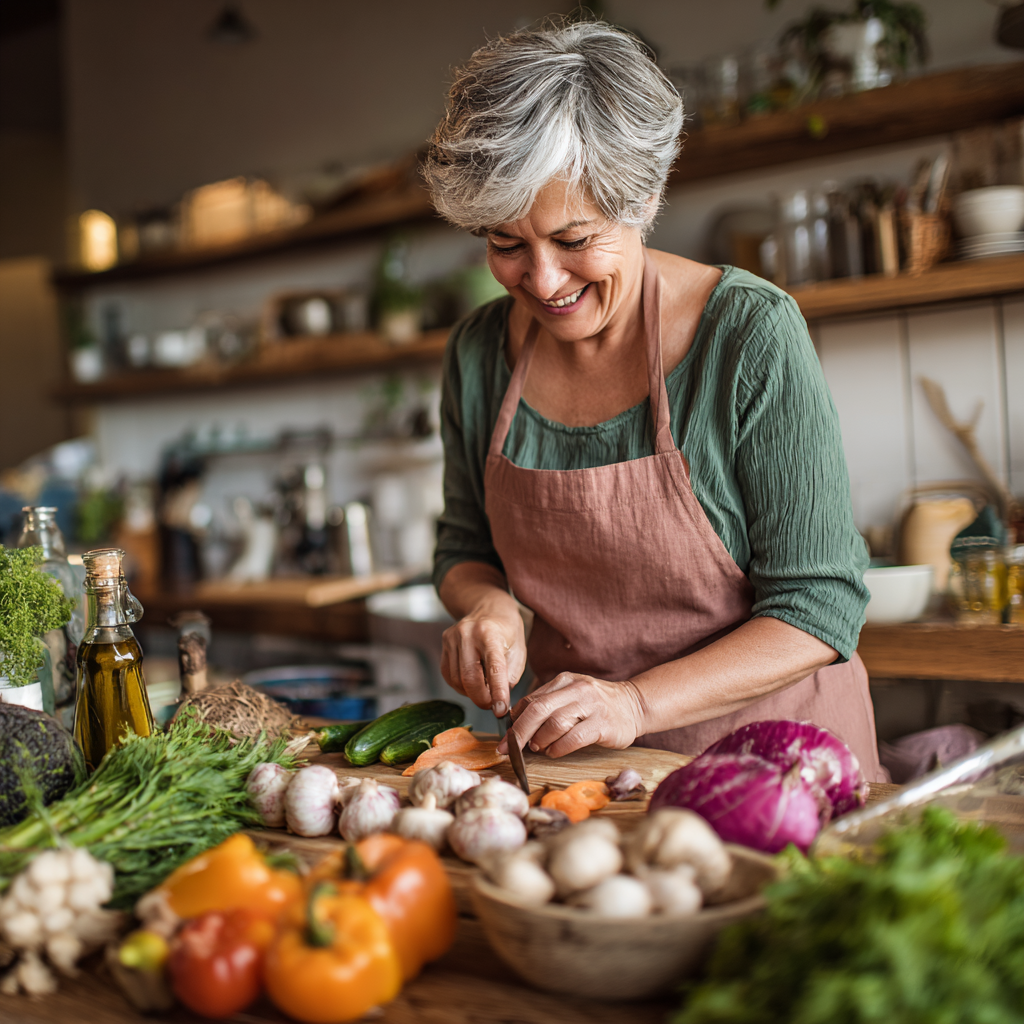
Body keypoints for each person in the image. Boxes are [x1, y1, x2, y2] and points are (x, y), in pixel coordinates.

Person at [423, 19, 885, 781]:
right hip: (581, 777)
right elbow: (463, 547)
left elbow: (819, 605)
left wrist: (634, 705)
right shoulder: (477, 354)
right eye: (506, 244)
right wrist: (489, 605)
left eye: (574, 239)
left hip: (779, 772)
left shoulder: (747, 334)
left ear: (643, 199)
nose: (542, 281)